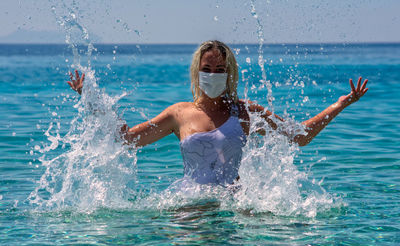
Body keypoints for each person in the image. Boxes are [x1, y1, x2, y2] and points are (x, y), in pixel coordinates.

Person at [68, 40, 368, 186]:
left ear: (230, 74)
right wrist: (92, 99)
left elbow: (299, 136)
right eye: (207, 69)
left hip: (233, 206)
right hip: (190, 206)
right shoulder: (179, 113)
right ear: (197, 72)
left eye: (220, 70)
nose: (213, 74)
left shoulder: (246, 112)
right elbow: (127, 139)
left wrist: (339, 105)